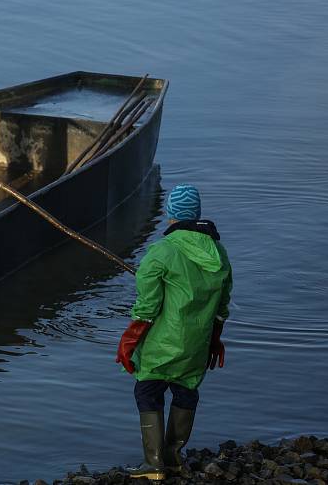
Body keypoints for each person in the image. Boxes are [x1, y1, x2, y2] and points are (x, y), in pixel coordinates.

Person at [115, 184, 232, 481]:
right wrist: (215, 337)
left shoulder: (161, 252)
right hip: (197, 344)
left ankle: (153, 464)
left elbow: (148, 306)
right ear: (197, 214)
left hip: (162, 343)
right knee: (185, 392)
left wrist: (130, 340)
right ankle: (173, 457)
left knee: (147, 392)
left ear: (171, 215)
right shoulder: (218, 252)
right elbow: (223, 304)